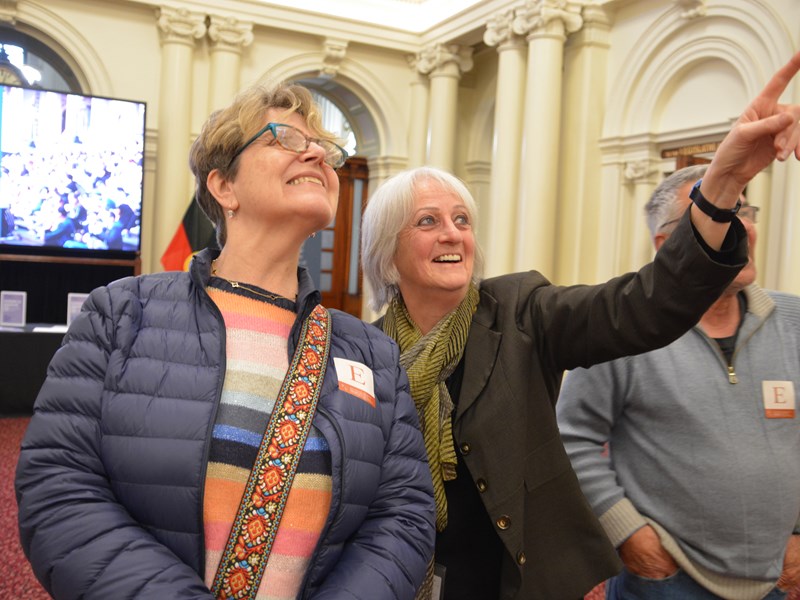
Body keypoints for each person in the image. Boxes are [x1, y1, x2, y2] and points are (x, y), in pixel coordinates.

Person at [359, 51, 800, 600]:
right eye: (428, 221)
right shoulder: (362, 350)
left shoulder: (522, 311)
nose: (453, 234)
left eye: (462, 219)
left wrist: (723, 183)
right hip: (405, 579)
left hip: (517, 581)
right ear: (386, 253)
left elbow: (644, 305)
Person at [15, 81, 435, 599]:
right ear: (224, 186)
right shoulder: (121, 314)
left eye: (325, 150)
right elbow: (59, 489)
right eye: (284, 137)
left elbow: (404, 515)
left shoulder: (370, 352)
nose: (316, 154)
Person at [555, 164, 800, 600]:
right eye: (722, 216)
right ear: (669, 246)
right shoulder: (621, 330)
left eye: (744, 212)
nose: (742, 228)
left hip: (775, 583)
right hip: (663, 582)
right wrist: (632, 537)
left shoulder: (794, 322)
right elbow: (571, 437)